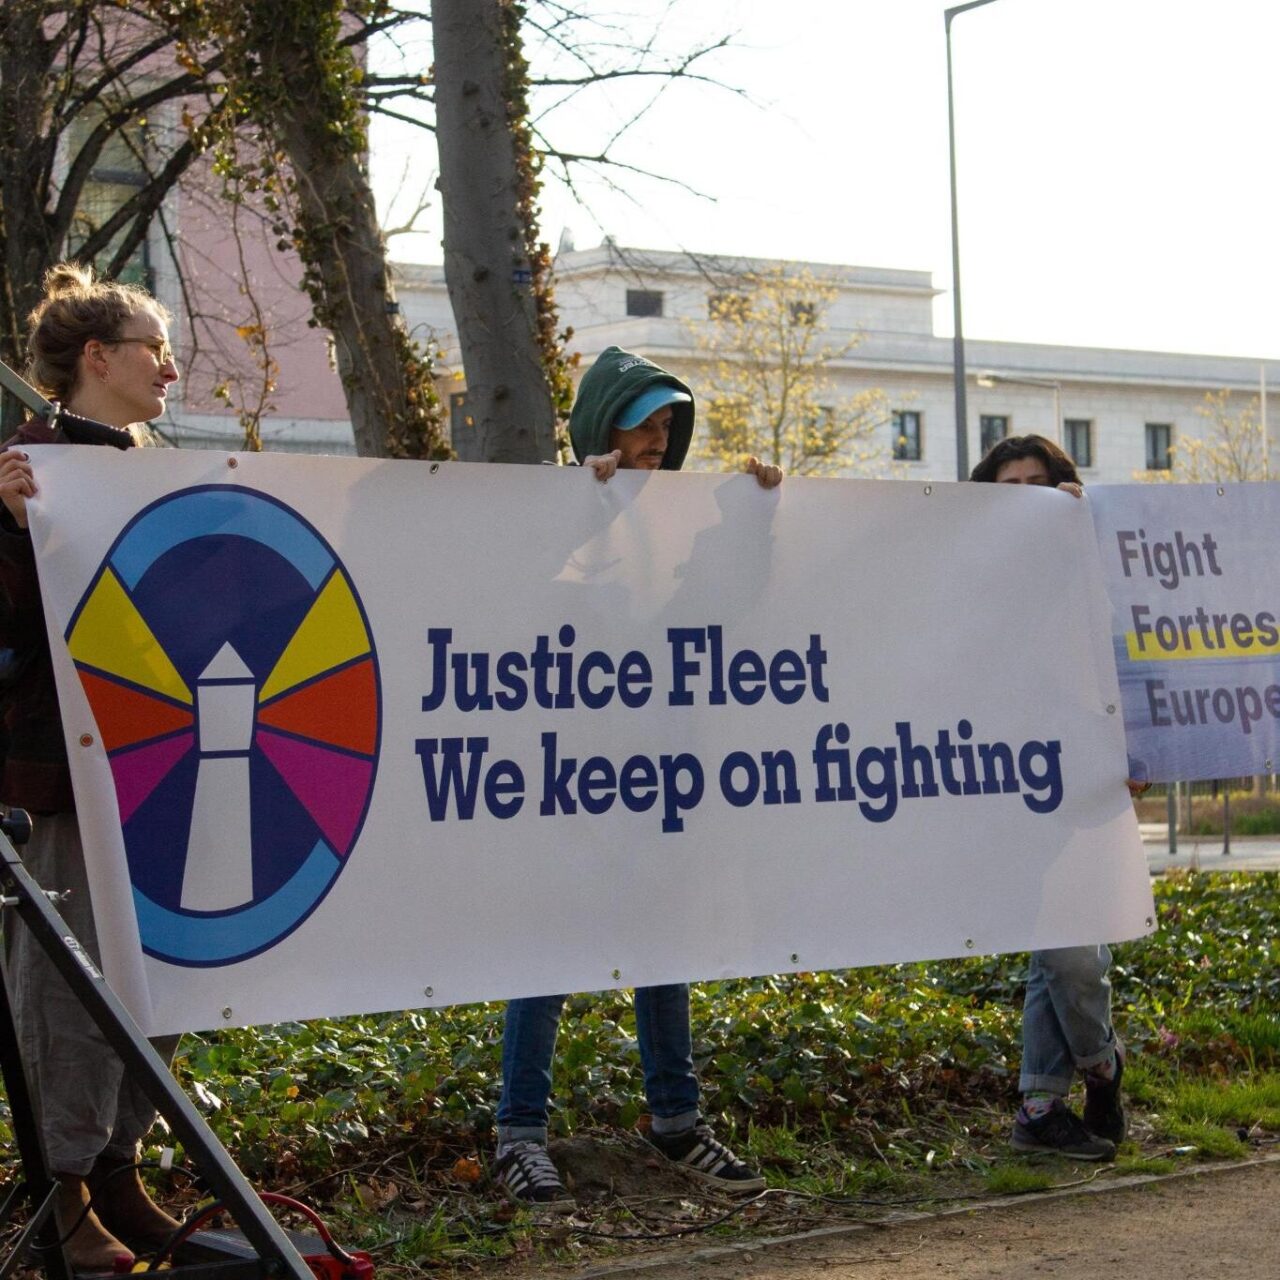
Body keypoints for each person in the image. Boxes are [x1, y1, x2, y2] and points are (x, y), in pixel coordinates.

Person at [493, 346, 782, 1210]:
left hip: (663, 768)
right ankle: (518, 1134)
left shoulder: (681, 524)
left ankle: (676, 1120)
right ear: (599, 422)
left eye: (669, 424)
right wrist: (584, 507)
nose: (658, 438)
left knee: (665, 938)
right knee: (551, 942)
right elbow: (505, 601)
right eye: (643, 419)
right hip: (565, 771)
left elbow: (724, 610)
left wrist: (751, 521)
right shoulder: (551, 506)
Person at [0, 263, 182, 1268]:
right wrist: (19, 532)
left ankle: (121, 1169)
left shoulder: (161, 473)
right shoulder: (21, 473)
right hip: (59, 780)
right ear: (95, 359)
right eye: (151, 345)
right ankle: (58, 1196)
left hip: (164, 774)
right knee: (65, 986)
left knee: (164, 975)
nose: (168, 364)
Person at [970, 433, 1144, 1162]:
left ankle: (1074, 1083)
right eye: (1006, 487)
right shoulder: (969, 575)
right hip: (1007, 780)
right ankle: (1061, 1095)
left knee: (1071, 953)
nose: (1025, 499)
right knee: (1060, 942)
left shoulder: (1090, 565)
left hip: (1087, 772)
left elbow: (1134, 638)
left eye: (1038, 484)